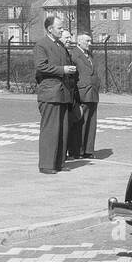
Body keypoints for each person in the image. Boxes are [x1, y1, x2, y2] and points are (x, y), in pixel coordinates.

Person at [34, 16, 77, 173]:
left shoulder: (60, 45)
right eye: (59, 27)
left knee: (62, 130)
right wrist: (63, 70)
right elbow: (41, 66)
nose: (62, 30)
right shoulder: (41, 45)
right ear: (50, 29)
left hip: (63, 93)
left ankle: (58, 162)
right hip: (50, 93)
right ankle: (46, 164)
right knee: (50, 130)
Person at [68, 32, 99, 158]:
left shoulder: (90, 55)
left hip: (93, 92)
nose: (90, 43)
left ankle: (88, 150)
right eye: (87, 41)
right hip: (82, 92)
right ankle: (77, 150)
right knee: (80, 122)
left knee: (91, 122)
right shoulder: (74, 55)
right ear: (79, 41)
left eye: (90, 41)